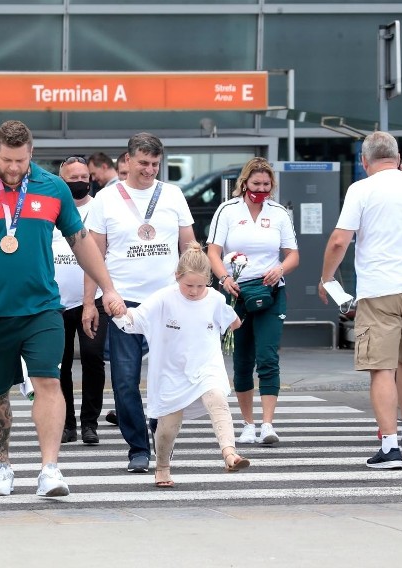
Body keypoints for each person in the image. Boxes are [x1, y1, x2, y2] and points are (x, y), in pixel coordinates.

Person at [0, 120, 125, 498]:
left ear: (32, 154)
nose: (14, 169)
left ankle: (50, 469)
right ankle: (2, 466)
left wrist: (107, 288)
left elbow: (80, 242)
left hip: (43, 308)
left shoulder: (52, 187)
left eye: (21, 161)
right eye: (7, 160)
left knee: (48, 381)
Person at [320, 131, 402, 469]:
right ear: (398, 158)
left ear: (364, 161)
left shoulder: (361, 189)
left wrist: (327, 278)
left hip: (381, 289)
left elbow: (340, 241)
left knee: (381, 369)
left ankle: (390, 447)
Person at [85, 132, 195, 473]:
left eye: (155, 164)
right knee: (124, 377)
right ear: (128, 161)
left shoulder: (173, 194)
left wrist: (196, 286)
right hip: (123, 302)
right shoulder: (106, 198)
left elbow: (189, 245)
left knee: (170, 375)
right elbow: (94, 254)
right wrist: (91, 302)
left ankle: (159, 430)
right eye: (143, 163)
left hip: (167, 300)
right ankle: (138, 447)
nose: (149, 170)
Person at [113, 242, 248, 487]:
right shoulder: (164, 298)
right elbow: (137, 318)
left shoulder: (216, 299)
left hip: (205, 365)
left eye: (200, 285)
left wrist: (232, 319)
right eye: (188, 285)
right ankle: (162, 467)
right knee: (167, 426)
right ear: (177, 277)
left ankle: (230, 453)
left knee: (217, 398)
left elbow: (234, 322)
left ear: (208, 280)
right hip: (171, 371)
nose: (194, 291)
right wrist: (121, 311)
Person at [207, 157, 299, 446]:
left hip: (271, 291)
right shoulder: (228, 210)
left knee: (268, 357)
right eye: (256, 183)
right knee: (243, 359)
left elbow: (293, 253)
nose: (261, 189)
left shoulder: (279, 213)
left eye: (266, 184)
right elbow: (213, 251)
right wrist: (224, 278)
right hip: (236, 293)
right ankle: (247, 424)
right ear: (244, 183)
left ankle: (268, 424)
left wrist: (281, 268)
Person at [53, 156, 108, 445]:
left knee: (92, 359)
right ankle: (67, 424)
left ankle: (90, 423)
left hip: (94, 299)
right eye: (72, 178)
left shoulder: (100, 208)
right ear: (61, 180)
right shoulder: (51, 210)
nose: (80, 182)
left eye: (84, 176)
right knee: (59, 365)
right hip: (56, 302)